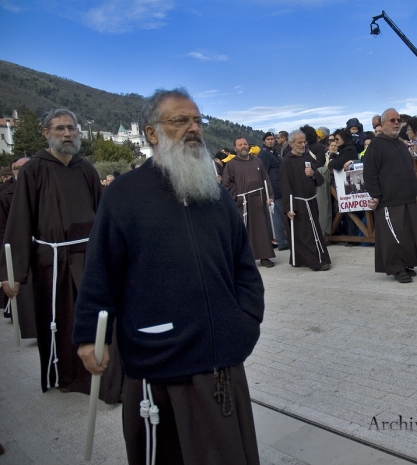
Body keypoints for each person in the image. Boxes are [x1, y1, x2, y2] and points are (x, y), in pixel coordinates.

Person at [73, 88, 263, 464]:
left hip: (222, 358)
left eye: (197, 120)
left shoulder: (216, 194)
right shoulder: (124, 195)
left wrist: (246, 319)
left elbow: (244, 265)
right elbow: (100, 272)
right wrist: (87, 337)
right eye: (180, 121)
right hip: (161, 361)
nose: (194, 128)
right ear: (152, 133)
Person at [0, 108, 121, 401]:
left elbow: (104, 216)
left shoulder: (86, 169)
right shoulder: (33, 170)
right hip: (52, 262)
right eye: (60, 129)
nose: (67, 134)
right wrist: (12, 273)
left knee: (98, 318)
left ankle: (104, 378)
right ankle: (66, 375)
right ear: (46, 133)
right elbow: (19, 222)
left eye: (71, 128)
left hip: (89, 259)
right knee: (61, 320)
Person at [364, 109, 417, 283]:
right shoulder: (376, 145)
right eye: (392, 120)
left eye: (398, 120)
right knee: (393, 236)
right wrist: (376, 195)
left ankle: (407, 264)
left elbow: (409, 171)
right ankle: (397, 268)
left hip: (407, 197)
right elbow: (370, 173)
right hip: (388, 200)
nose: (396, 123)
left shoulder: (402, 144)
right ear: (383, 123)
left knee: (408, 235)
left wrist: (416, 191)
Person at [279, 130, 331, 271]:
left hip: (311, 201)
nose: (303, 145)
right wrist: (289, 207)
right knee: (305, 234)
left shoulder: (307, 158)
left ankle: (301, 259)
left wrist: (313, 173)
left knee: (313, 231)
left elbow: (319, 180)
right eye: (299, 142)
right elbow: (285, 186)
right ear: (291, 144)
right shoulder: (286, 162)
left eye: (304, 142)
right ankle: (318, 261)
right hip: (298, 203)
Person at [223, 137, 276, 268]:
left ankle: (265, 257)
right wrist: (238, 197)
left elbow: (266, 179)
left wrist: (269, 196)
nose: (243, 147)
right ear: (235, 148)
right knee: (244, 232)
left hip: (258, 200)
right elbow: (226, 184)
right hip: (242, 203)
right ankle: (245, 259)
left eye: (245, 144)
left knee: (261, 230)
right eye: (240, 145)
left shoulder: (257, 161)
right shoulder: (231, 165)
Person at [0, 157, 35, 337]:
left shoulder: (41, 188)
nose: (20, 170)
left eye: (24, 167)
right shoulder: (6, 194)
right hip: (19, 248)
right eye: (16, 167)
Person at [258, 132, 289, 251]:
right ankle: (281, 241)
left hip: (279, 187)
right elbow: (264, 173)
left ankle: (278, 240)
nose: (271, 141)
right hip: (273, 189)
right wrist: (268, 192)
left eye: (272, 139)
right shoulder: (265, 154)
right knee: (277, 217)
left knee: (278, 216)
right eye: (268, 139)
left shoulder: (274, 152)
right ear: (264, 141)